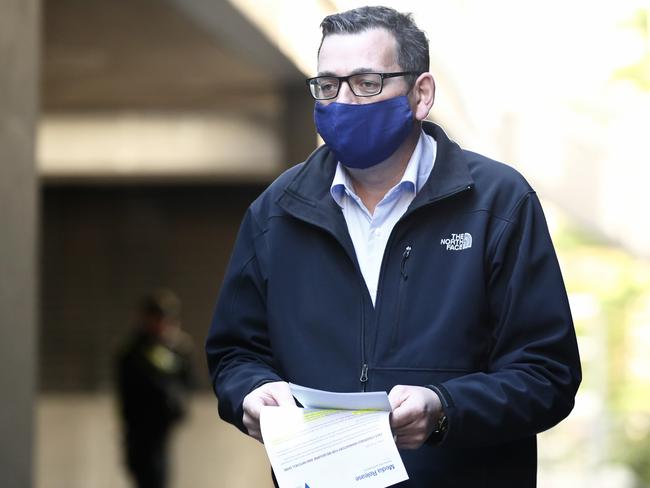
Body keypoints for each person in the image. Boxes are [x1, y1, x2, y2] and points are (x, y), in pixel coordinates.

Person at [206, 6, 581, 487]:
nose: (342, 102)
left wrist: (445, 410)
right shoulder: (276, 211)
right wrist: (251, 394)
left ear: (420, 94)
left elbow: (547, 374)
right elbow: (235, 352)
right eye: (328, 85)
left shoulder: (497, 203)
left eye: (366, 83)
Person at [116, 289, 193, 488]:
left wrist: (178, 347)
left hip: (161, 431)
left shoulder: (172, 350)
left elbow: (187, 380)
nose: (162, 325)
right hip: (141, 434)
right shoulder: (135, 352)